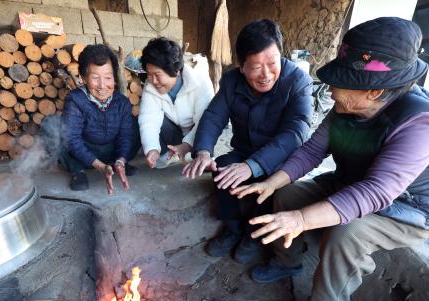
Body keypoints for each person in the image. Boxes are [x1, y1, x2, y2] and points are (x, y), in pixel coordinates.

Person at [231, 17, 429, 301]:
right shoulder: (346, 107)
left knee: (347, 232)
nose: (331, 89)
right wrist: (271, 182)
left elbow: (377, 192)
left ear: (374, 90)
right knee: (288, 194)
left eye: (340, 82)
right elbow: (311, 151)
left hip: (411, 207)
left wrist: (301, 220)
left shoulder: (424, 123)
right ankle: (287, 260)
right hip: (355, 183)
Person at [183, 19, 313, 264]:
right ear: (241, 66)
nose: (266, 74)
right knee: (221, 169)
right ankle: (232, 230)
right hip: (244, 150)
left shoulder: (298, 82)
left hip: (281, 160)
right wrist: (202, 151)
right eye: (255, 67)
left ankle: (253, 237)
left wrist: (253, 166)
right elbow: (214, 116)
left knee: (269, 184)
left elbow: (296, 132)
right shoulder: (232, 82)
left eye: (272, 63)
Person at [60, 44, 139, 194]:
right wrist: (100, 167)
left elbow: (125, 136)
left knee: (136, 125)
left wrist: (121, 159)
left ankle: (120, 163)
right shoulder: (75, 99)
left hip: (111, 150)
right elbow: (72, 139)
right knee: (53, 125)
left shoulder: (122, 102)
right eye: (95, 78)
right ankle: (78, 171)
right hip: (83, 153)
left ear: (114, 78)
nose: (102, 86)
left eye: (108, 77)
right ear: (83, 78)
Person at [138, 37, 214, 168]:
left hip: (198, 132)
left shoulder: (200, 81)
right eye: (149, 74)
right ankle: (169, 153)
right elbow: (148, 119)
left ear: (176, 70)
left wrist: (188, 145)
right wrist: (152, 149)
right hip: (173, 133)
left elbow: (206, 122)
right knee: (149, 122)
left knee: (207, 129)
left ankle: (201, 154)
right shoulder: (150, 86)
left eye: (157, 74)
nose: (153, 80)